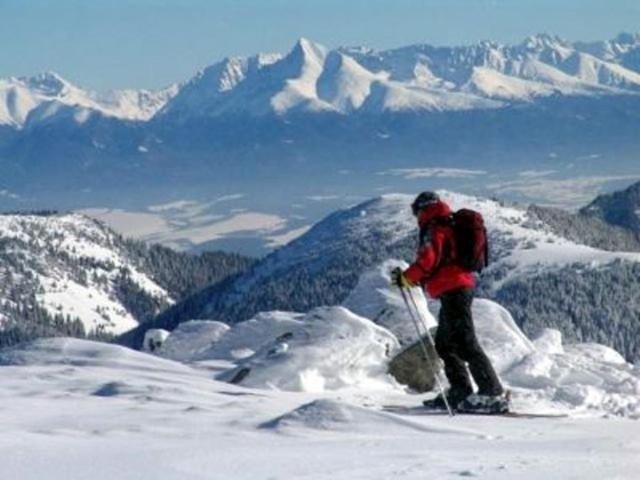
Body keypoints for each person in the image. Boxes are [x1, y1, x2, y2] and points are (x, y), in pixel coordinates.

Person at [391, 191, 507, 412]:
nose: (416, 218)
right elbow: (439, 264)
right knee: (445, 344)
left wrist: (406, 278)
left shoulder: (434, 227)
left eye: (416, 212)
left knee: (465, 342)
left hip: (455, 289)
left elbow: (428, 260)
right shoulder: (445, 224)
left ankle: (492, 393)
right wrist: (414, 279)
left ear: (421, 209)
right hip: (454, 289)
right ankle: (460, 390)